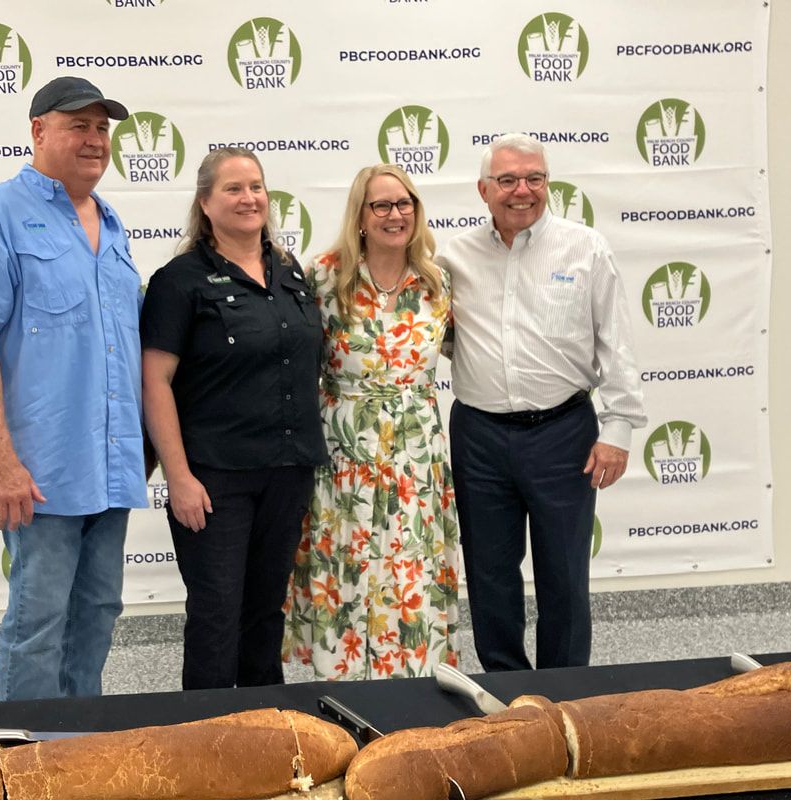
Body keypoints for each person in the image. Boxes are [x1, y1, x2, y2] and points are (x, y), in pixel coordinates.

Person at [0, 76, 148, 701]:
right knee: (38, 623)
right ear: (38, 131)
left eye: (102, 129)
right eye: (78, 125)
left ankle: (75, 754)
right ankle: (12, 765)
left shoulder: (112, 224)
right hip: (40, 472)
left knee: (98, 615)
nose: (94, 140)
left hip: (109, 466)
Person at [438, 132, 646, 672]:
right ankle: (507, 689)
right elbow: (425, 331)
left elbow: (616, 343)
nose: (522, 190)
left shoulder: (586, 248)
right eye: (507, 180)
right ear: (484, 189)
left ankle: (566, 691)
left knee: (564, 572)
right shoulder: (452, 257)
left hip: (564, 433)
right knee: (489, 572)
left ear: (547, 184)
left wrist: (618, 428)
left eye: (535, 178)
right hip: (478, 435)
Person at [139, 147, 327, 690]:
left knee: (266, 612)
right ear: (205, 201)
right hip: (215, 478)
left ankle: (267, 739)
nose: (249, 198)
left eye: (256, 187)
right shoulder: (180, 280)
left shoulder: (289, 271)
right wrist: (178, 477)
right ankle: (206, 741)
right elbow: (156, 383)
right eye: (233, 189)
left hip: (288, 471)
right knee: (217, 614)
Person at [283, 164, 459, 680]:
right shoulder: (323, 276)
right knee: (348, 570)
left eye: (404, 203)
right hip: (345, 457)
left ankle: (417, 694)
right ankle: (345, 694)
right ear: (360, 216)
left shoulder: (436, 280)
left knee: (412, 573)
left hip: (415, 459)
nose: (395, 214)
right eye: (381, 205)